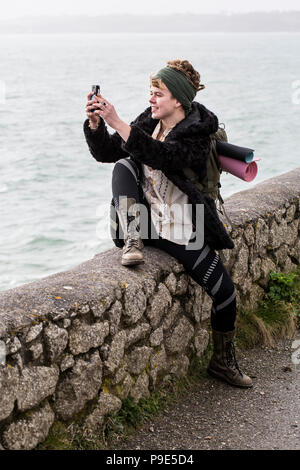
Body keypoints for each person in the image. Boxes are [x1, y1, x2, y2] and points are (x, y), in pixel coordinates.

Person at [84, 59, 253, 388]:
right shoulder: (149, 120)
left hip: (181, 229)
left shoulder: (198, 134)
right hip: (146, 226)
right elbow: (110, 151)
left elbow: (163, 156)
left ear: (177, 99)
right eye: (150, 92)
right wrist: (96, 125)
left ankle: (222, 361)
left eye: (157, 94)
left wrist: (117, 120)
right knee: (122, 165)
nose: (151, 100)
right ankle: (132, 237)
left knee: (226, 294)